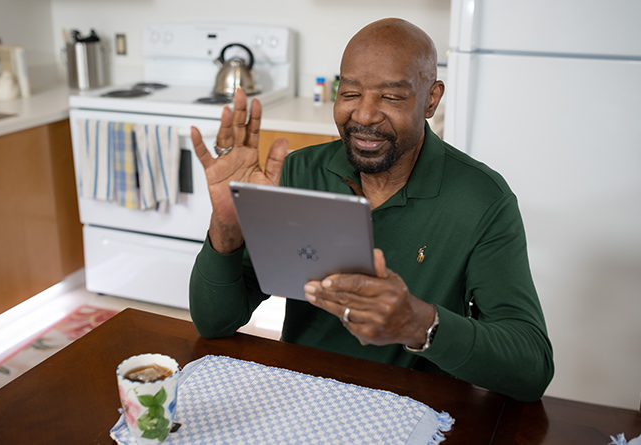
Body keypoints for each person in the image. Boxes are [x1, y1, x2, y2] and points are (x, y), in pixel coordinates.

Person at [189, 18, 554, 402]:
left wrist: (421, 324)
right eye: (349, 93)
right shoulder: (299, 171)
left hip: (418, 409)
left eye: (391, 97)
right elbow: (215, 323)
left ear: (431, 99)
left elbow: (531, 369)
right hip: (300, 396)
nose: (364, 115)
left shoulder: (482, 199)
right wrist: (227, 228)